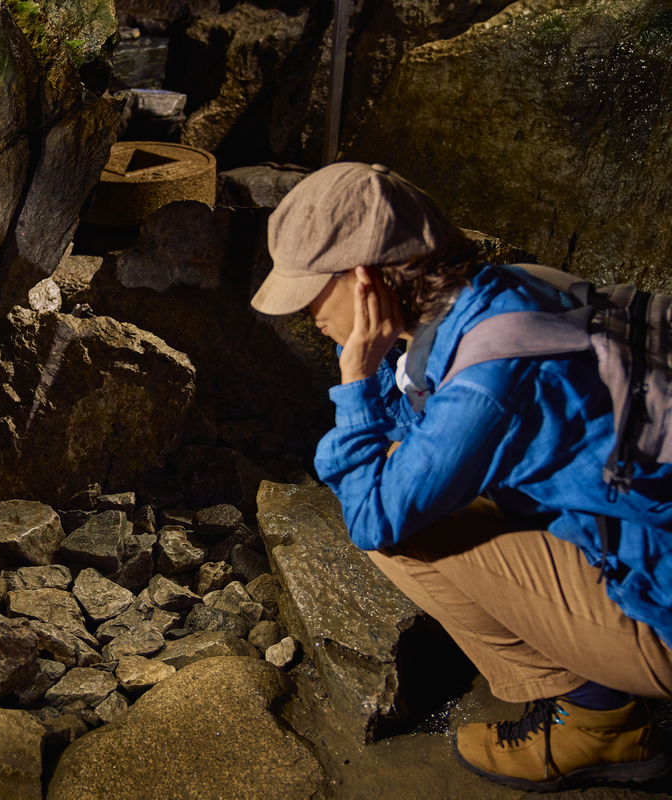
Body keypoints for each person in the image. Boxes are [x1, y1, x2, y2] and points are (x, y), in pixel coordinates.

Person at [250, 161, 672, 792]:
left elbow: (372, 516)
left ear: (364, 279)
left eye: (312, 293)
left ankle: (597, 721)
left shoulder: (489, 379)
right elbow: (414, 430)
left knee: (399, 534)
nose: (308, 314)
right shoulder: (511, 293)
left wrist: (356, 377)